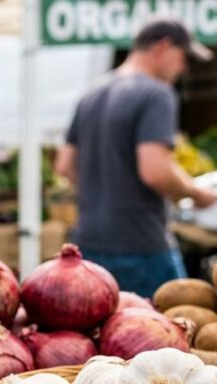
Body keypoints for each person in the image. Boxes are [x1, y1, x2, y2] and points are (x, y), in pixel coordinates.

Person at [56, 18, 217, 298]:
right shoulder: (157, 94)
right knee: (170, 329)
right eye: (183, 58)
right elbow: (154, 170)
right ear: (164, 47)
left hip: (88, 242)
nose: (185, 68)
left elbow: (65, 165)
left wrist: (105, 191)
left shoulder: (93, 92)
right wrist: (194, 193)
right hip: (141, 244)